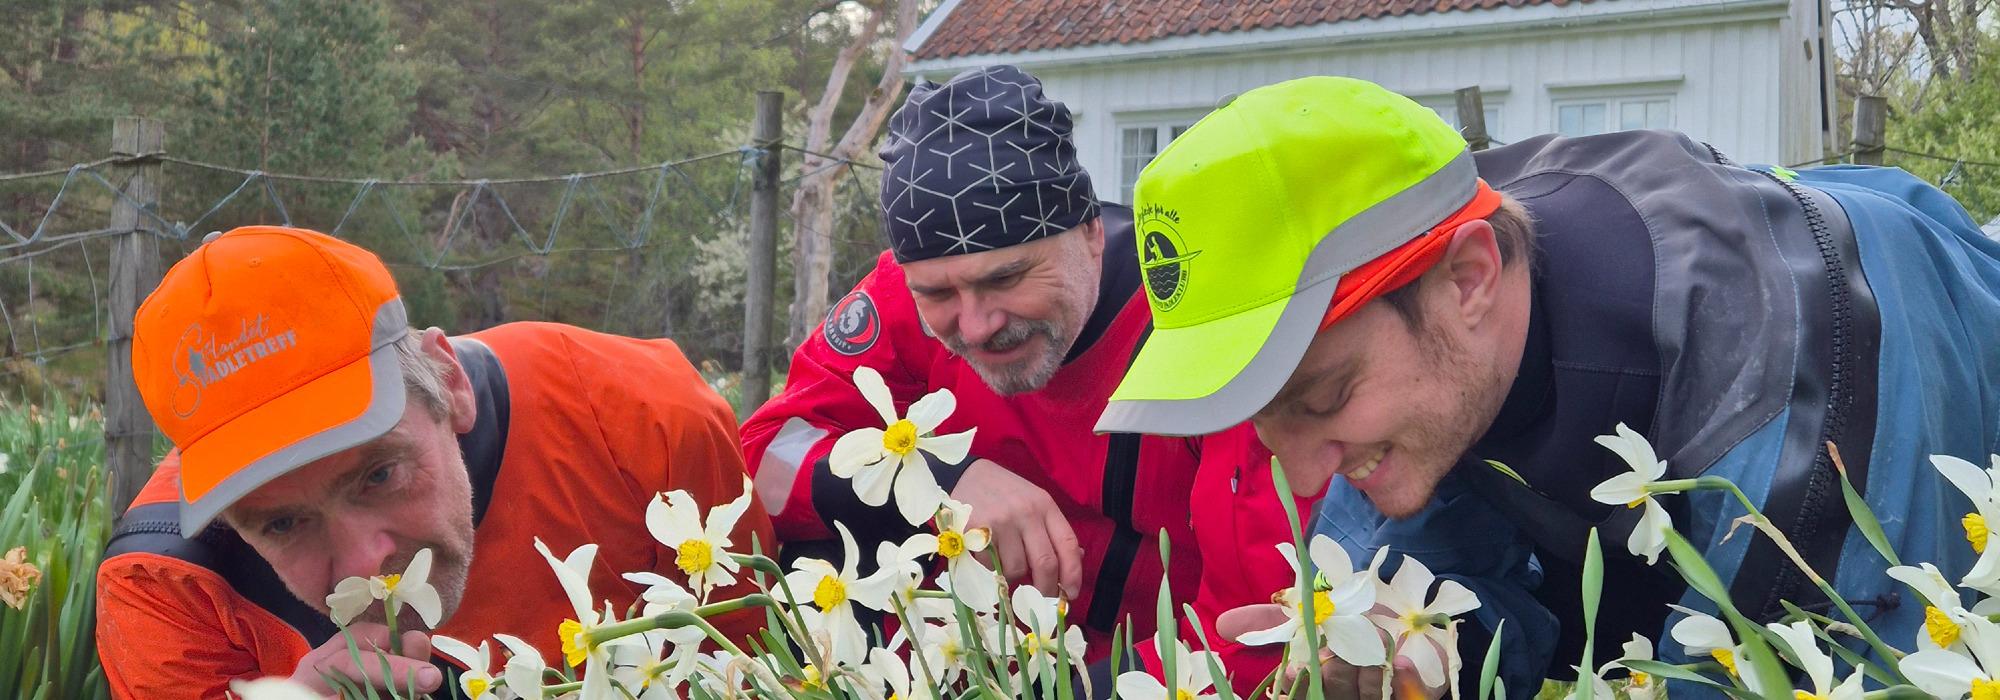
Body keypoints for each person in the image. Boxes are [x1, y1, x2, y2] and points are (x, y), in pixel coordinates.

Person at [1095, 76, 2000, 696]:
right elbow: (1467, 584)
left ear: (1470, 278)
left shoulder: (1791, 434)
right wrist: (1427, 653)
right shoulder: (1443, 279)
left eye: (1324, 397)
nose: (1299, 477)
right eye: (1261, 421)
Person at [96, 225, 774, 698]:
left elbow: (752, 666)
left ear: (448, 383)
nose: (367, 564)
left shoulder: (638, 422)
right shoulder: (166, 585)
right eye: (282, 525)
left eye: (379, 474)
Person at [741, 64, 1250, 663]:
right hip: (956, 660)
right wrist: (936, 479)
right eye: (938, 294)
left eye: (1007, 277)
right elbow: (767, 451)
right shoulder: (899, 300)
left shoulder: (1199, 322)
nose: (977, 325)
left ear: (1089, 234)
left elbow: (1256, 618)